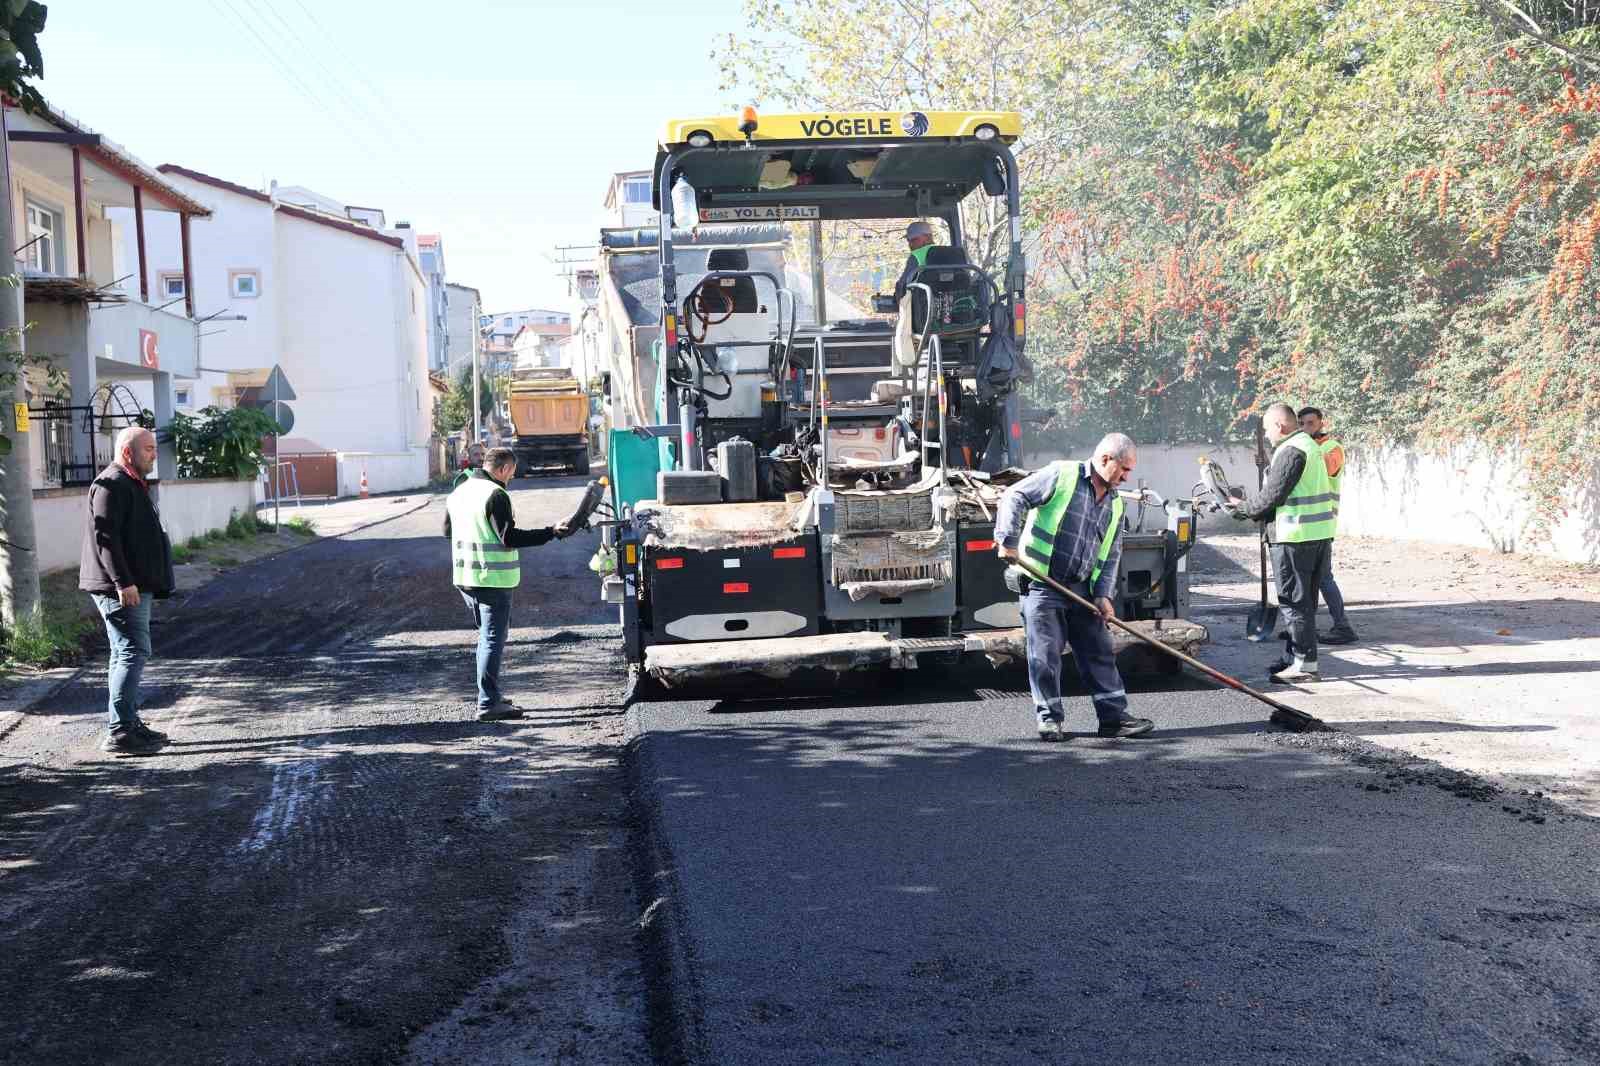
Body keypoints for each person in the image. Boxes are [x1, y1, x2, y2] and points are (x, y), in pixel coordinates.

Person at [994, 433, 1155, 741]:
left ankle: (1114, 719)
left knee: (1100, 651)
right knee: (1045, 655)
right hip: (1042, 584)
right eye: (1125, 468)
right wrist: (1008, 540)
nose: (1126, 476)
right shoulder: (1062, 475)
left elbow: (1110, 555)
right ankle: (1050, 719)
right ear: (1106, 459)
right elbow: (1015, 496)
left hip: (1081, 590)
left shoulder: (1115, 504)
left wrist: (1104, 595)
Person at [444, 447, 569, 721]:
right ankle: (488, 703)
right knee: (492, 639)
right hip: (491, 579)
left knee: (485, 638)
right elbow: (509, 537)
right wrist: (551, 532)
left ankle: (490, 695)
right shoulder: (495, 494)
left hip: (465, 577)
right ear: (502, 469)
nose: (510, 479)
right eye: (511, 473)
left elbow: (447, 532)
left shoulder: (460, 491)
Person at [79, 426, 176, 756]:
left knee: (124, 652)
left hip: (131, 584)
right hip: (119, 587)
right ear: (127, 452)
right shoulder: (111, 484)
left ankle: (127, 722)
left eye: (153, 448)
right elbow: (105, 540)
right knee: (134, 650)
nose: (153, 454)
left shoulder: (130, 482)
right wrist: (123, 582)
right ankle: (120, 731)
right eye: (147, 448)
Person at [1227, 404, 1335, 683]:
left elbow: (1272, 496)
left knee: (1293, 601)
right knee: (1306, 602)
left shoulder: (1290, 451)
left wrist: (1241, 509)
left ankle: (1305, 666)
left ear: (1279, 426)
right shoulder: (1308, 445)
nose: (1266, 434)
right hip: (1316, 535)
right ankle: (1296, 658)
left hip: (1294, 537)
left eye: (1266, 429)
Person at [1298, 406, 1357, 645]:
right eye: (1301, 423)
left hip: (1321, 524)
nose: (1305, 427)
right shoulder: (1305, 447)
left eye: (1310, 423)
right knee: (1309, 579)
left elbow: (1322, 468)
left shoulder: (1331, 448)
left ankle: (1343, 626)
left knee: (1323, 578)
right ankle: (1304, 626)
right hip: (1306, 525)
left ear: (1322, 423)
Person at [892, 219, 937, 304]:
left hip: (923, 308)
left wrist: (897, 297)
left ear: (927, 237)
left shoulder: (916, 255)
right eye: (908, 241)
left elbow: (903, 285)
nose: (910, 245)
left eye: (914, 240)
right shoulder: (952, 253)